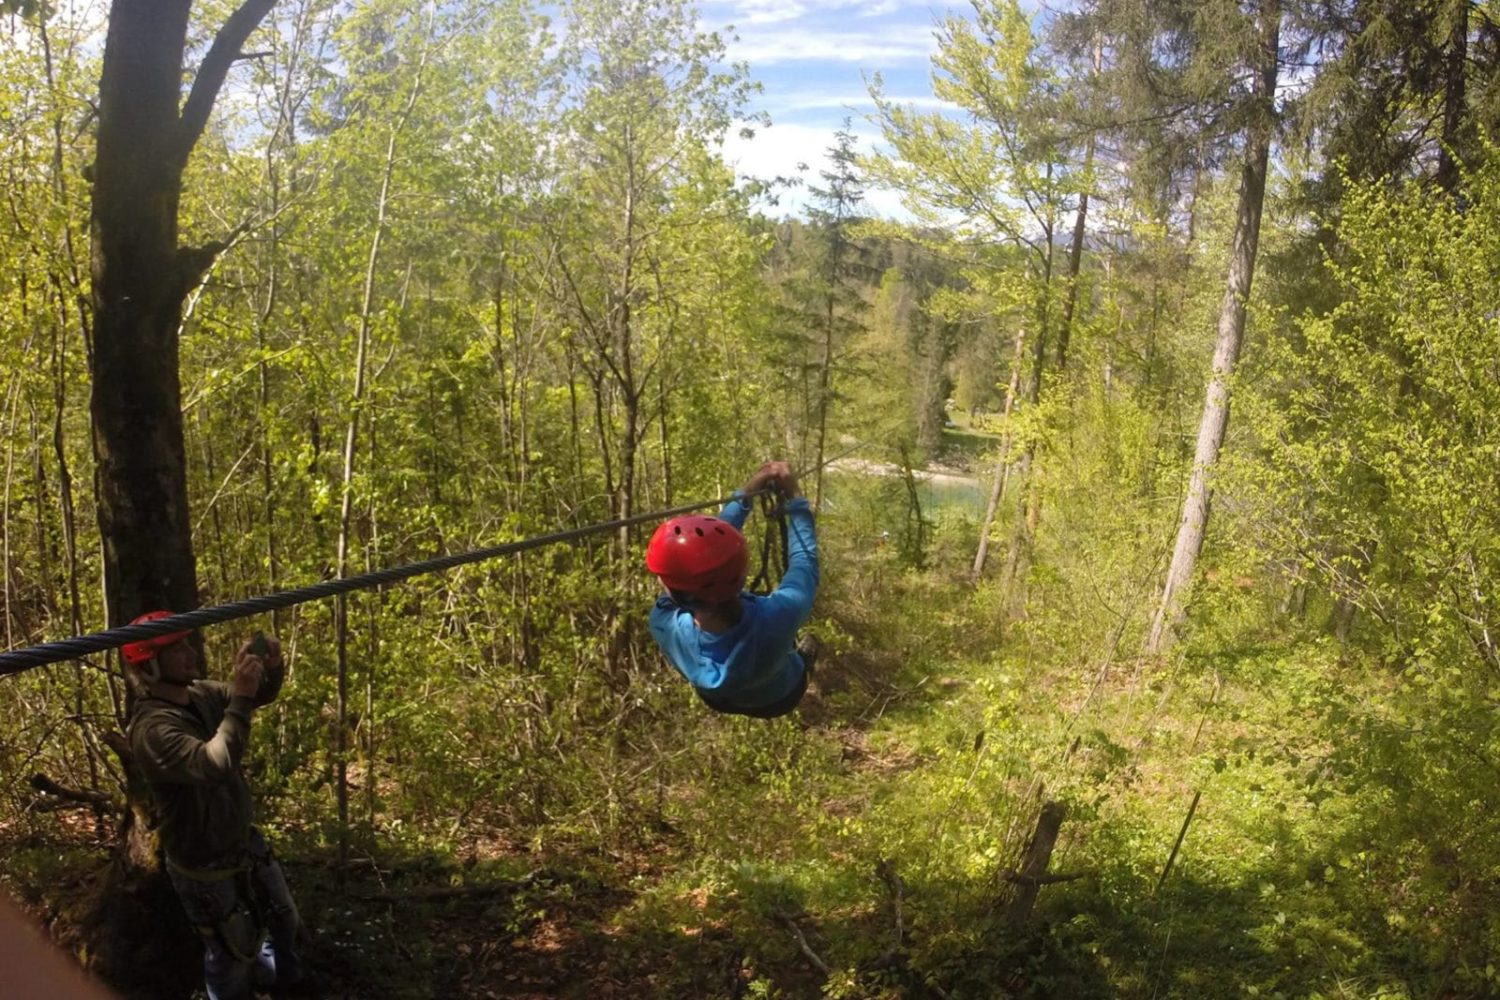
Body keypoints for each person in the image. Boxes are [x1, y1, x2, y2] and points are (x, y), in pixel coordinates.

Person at [123, 612, 304, 1000]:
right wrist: (239, 694)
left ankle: (281, 984)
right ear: (151, 665)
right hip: (203, 863)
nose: (191, 653)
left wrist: (268, 670)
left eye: (188, 643)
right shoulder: (153, 731)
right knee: (228, 954)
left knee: (283, 918)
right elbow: (215, 763)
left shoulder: (201, 693)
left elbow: (256, 698)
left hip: (242, 842)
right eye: (177, 649)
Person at [646, 461, 819, 718]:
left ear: (676, 593)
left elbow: (704, 555)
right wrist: (793, 494)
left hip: (719, 700)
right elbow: (804, 561)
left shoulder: (664, 625)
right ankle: (804, 660)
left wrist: (750, 488)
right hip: (781, 696)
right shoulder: (780, 614)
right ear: (740, 574)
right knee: (807, 647)